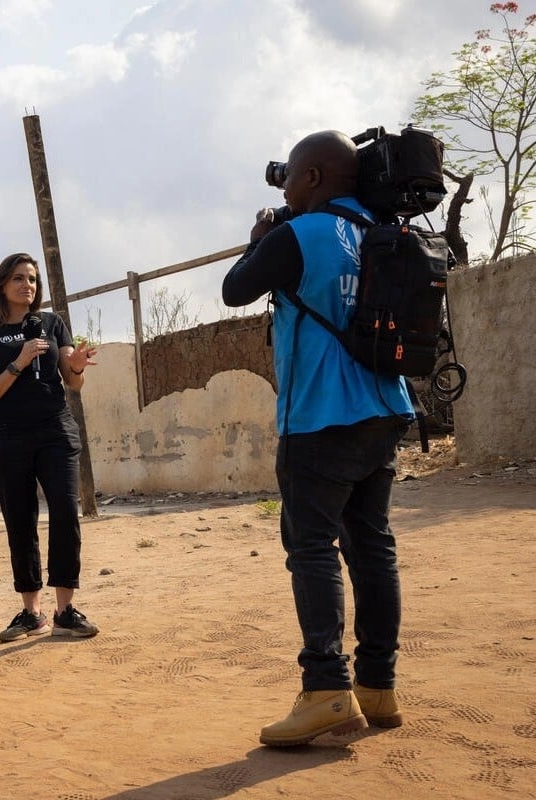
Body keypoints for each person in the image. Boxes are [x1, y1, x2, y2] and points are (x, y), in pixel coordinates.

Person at [222, 130, 413, 747]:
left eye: (289, 178)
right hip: (386, 407)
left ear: (311, 178)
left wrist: (258, 240)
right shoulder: (380, 230)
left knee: (311, 548)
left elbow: (233, 290)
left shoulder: (298, 235)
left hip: (320, 418)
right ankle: (377, 687)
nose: (283, 189)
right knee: (372, 545)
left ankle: (327, 690)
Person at [0, 252, 100, 643]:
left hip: (55, 431)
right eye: (19, 279)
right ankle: (31, 613)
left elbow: (73, 384)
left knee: (64, 510)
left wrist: (74, 365)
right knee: (20, 520)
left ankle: (65, 610)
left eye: (32, 279)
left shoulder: (52, 324)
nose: (28, 285)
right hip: (7, 436)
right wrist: (18, 363)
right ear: (2, 286)